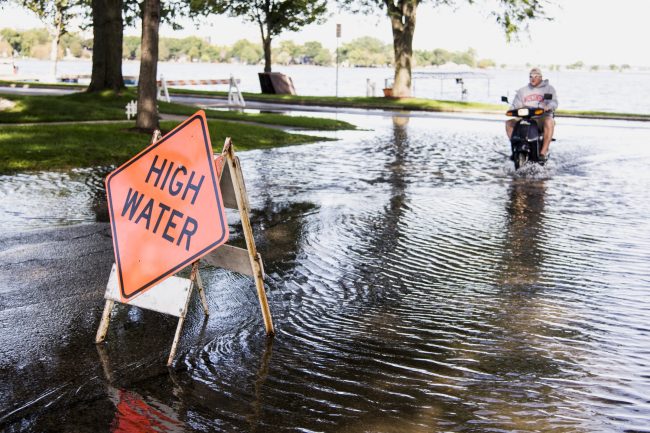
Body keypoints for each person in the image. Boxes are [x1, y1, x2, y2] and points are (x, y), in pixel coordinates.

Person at [505, 67, 558, 160]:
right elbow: (516, 104)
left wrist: (548, 106)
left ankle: (543, 152)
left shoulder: (549, 89)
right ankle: (515, 148)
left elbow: (554, 102)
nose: (533, 78)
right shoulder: (522, 91)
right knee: (509, 123)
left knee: (549, 121)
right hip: (525, 116)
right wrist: (511, 110)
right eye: (531, 76)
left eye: (536, 76)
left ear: (541, 77)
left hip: (541, 116)